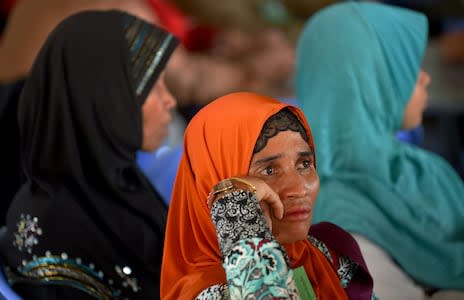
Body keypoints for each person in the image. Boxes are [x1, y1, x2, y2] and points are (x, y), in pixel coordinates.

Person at [0, 10, 178, 299]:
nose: (170, 100)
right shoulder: (60, 236)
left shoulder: (115, 185)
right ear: (106, 103)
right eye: (154, 88)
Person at [295, 2, 464, 299]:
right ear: (367, 80)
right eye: (407, 66)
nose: (425, 78)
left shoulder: (417, 167)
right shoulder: (335, 216)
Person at [161, 92, 376, 299]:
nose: (300, 189)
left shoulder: (326, 252)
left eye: (304, 164)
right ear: (215, 180)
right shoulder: (207, 291)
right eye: (270, 171)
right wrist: (237, 205)